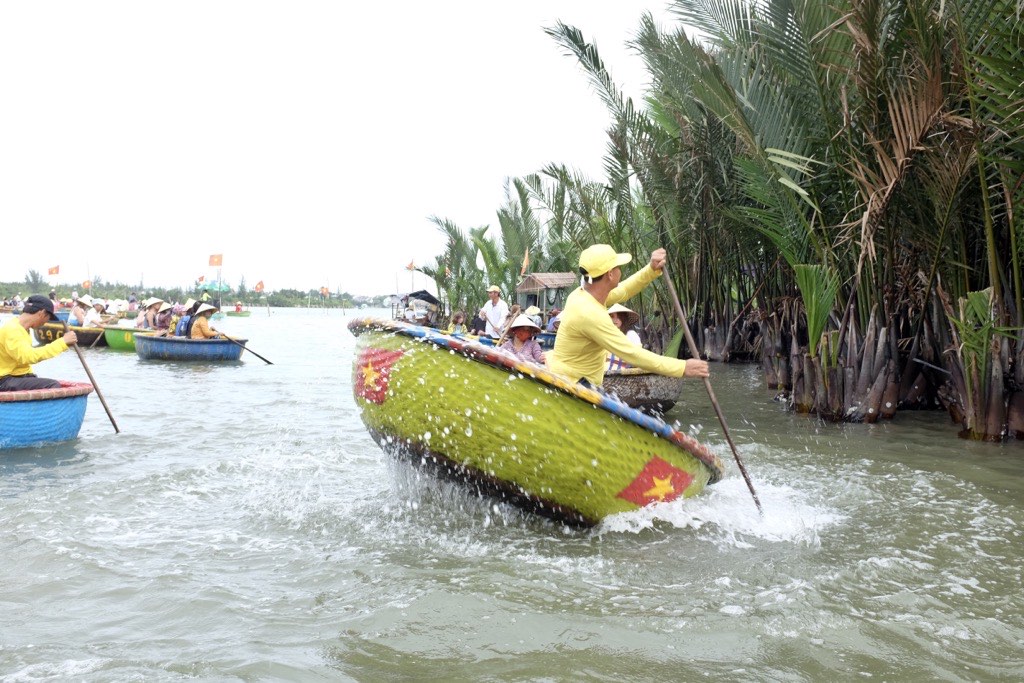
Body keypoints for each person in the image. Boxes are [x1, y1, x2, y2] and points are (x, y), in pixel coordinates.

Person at [547, 244, 709, 387]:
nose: (620, 270)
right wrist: (682, 367)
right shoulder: (589, 313)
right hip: (574, 383)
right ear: (610, 274)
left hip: (576, 378)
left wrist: (651, 270)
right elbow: (632, 354)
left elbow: (624, 290)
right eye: (618, 266)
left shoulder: (584, 294)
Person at [0, 294, 77, 391]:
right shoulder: (13, 329)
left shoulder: (23, 329)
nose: (46, 322)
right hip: (3, 380)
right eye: (48, 317)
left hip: (16, 376)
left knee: (40, 380)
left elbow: (23, 363)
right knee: (52, 385)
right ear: (42, 313)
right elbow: (28, 357)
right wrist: (62, 343)